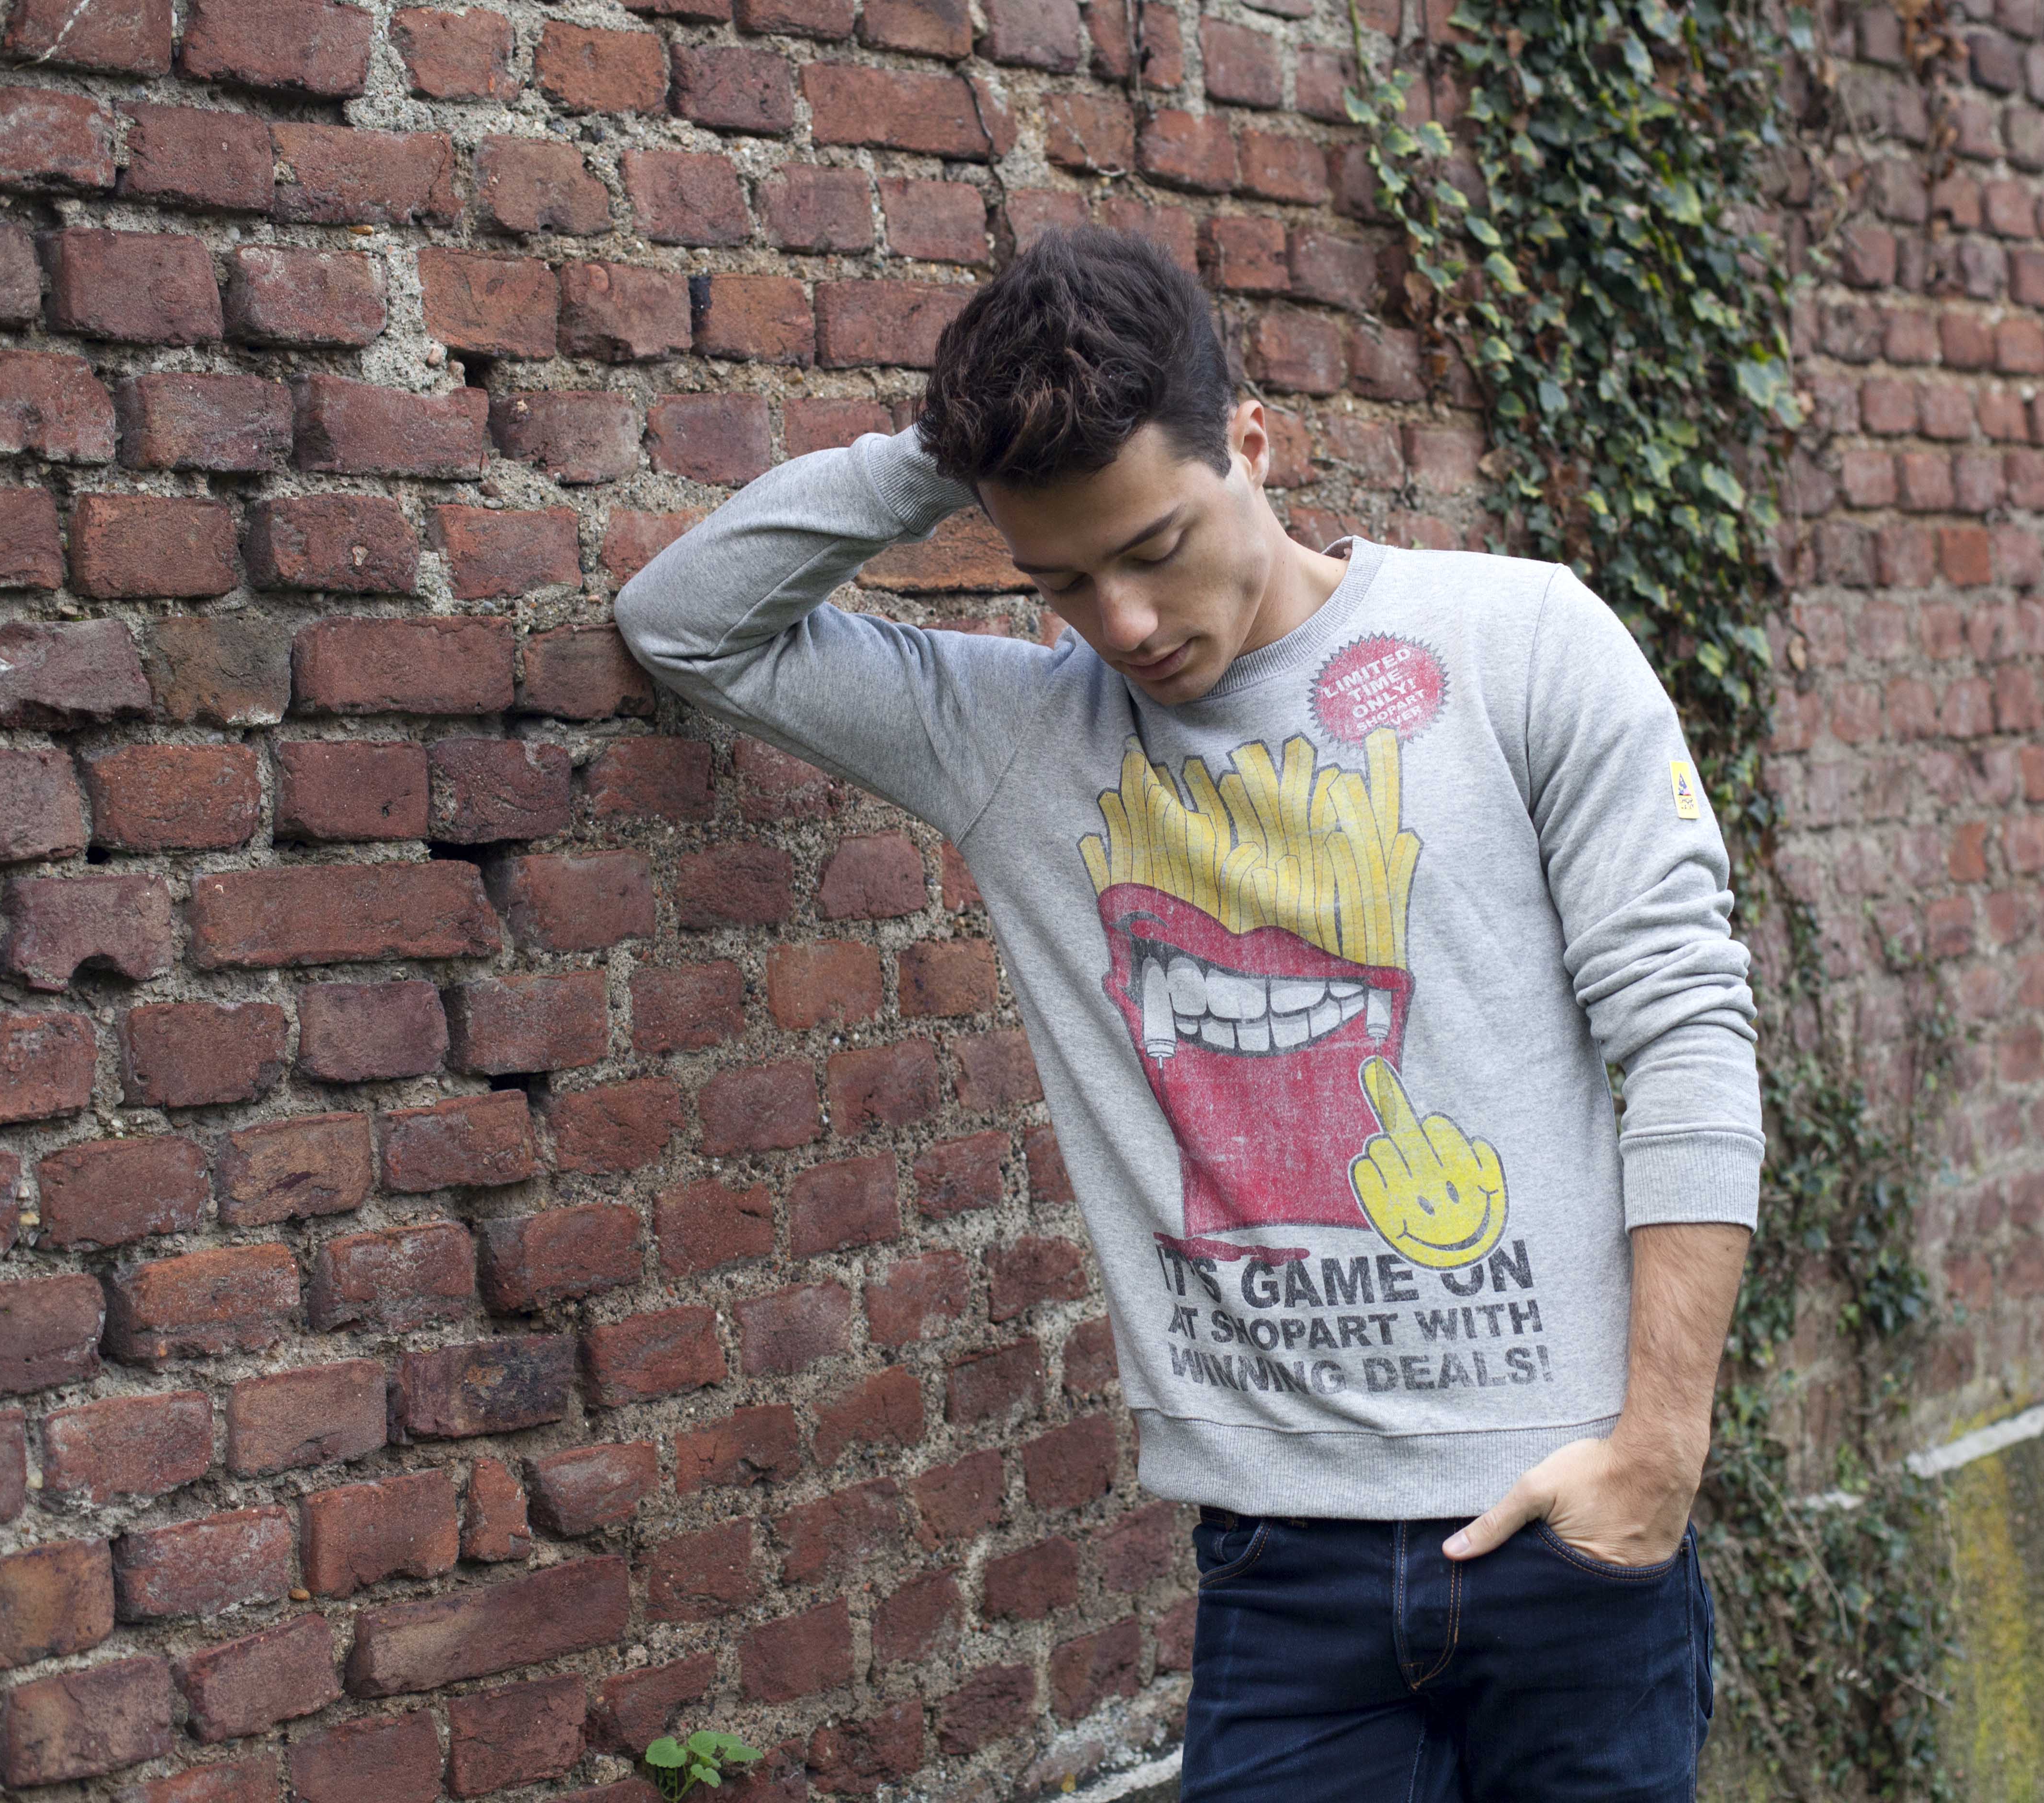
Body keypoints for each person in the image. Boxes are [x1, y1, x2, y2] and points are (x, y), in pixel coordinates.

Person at [614, 225, 1763, 1802]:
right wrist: (942, 457)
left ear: (1253, 441)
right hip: (1283, 1571)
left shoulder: (1521, 643)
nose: (1126, 624)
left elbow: (1685, 1031)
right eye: (1061, 580)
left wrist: (1658, 1456)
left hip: (1569, 1526)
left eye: (1153, 547)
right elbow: (686, 624)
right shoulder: (1018, 738)